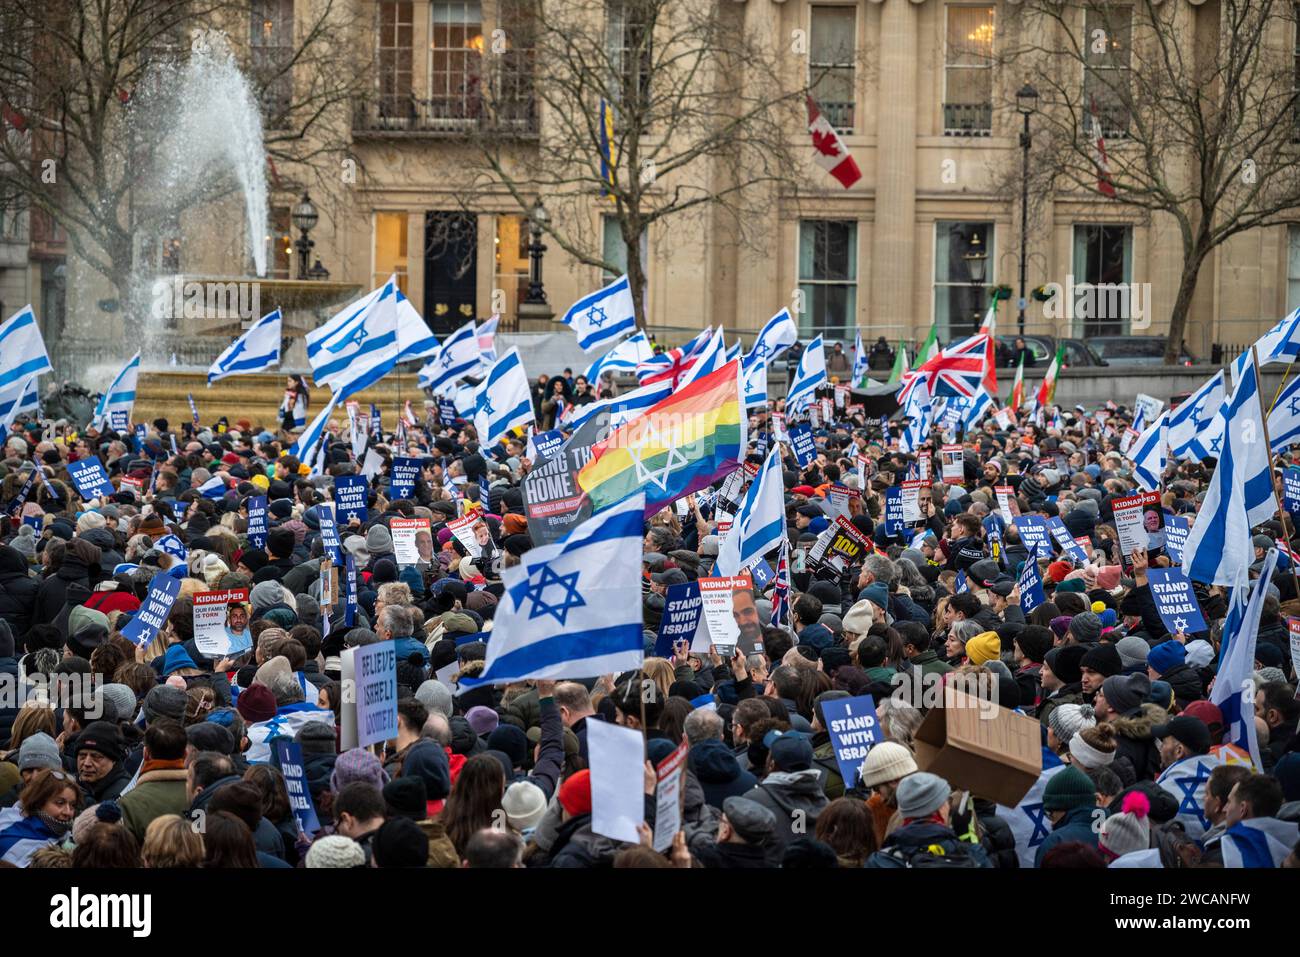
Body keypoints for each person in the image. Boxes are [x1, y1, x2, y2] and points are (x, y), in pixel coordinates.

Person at [0, 768, 80, 866]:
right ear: (39, 802)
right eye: (60, 803)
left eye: (72, 805)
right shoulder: (10, 834)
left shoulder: (66, 837)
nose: (68, 812)